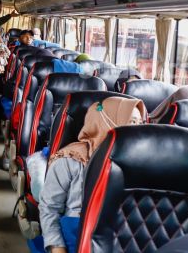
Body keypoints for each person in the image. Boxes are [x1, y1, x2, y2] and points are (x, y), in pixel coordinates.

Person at [39, 97, 147, 253]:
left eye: (140, 124)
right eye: (131, 122)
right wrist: (57, 247)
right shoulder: (70, 160)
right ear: (109, 122)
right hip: (75, 236)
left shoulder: (142, 164)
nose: (138, 131)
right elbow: (49, 209)